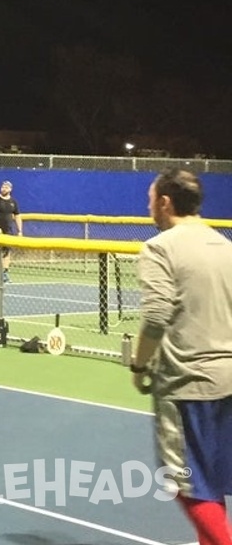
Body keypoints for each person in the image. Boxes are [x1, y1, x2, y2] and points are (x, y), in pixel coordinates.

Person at [130, 168, 232, 545]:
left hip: (186, 383)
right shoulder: (225, 245)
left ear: (166, 202)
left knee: (186, 483)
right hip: (228, 380)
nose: (148, 206)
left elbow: (156, 317)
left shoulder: (160, 247)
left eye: (150, 199)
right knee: (212, 479)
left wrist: (139, 365)